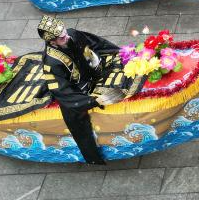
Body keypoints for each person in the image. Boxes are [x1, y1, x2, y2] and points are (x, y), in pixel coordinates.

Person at [35, 16, 131, 165]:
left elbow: (96, 43)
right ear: (52, 42)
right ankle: (92, 156)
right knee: (75, 118)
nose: (67, 37)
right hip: (76, 86)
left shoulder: (71, 34)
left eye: (65, 32)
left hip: (90, 71)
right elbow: (63, 91)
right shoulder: (51, 63)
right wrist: (92, 101)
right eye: (62, 38)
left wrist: (118, 53)